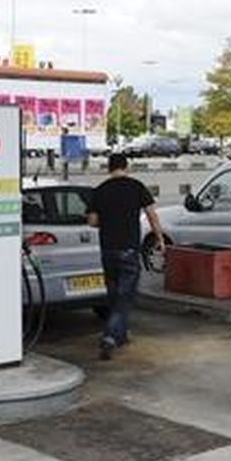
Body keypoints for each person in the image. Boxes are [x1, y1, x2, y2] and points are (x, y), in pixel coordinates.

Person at [87, 154, 166, 360]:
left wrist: (108, 219)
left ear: (109, 168)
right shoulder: (136, 187)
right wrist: (160, 238)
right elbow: (152, 215)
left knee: (113, 295)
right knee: (125, 297)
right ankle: (111, 336)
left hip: (108, 250)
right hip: (129, 249)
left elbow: (92, 221)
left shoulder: (100, 190)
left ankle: (120, 335)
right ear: (126, 167)